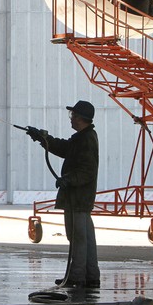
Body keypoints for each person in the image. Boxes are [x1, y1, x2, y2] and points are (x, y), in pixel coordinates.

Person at [27, 100, 100, 288]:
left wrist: (69, 180)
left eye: (73, 115)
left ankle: (76, 277)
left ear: (80, 118)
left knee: (77, 239)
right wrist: (44, 139)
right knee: (86, 239)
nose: (71, 119)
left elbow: (87, 171)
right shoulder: (83, 137)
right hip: (80, 199)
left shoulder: (86, 139)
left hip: (77, 198)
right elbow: (65, 149)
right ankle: (91, 275)